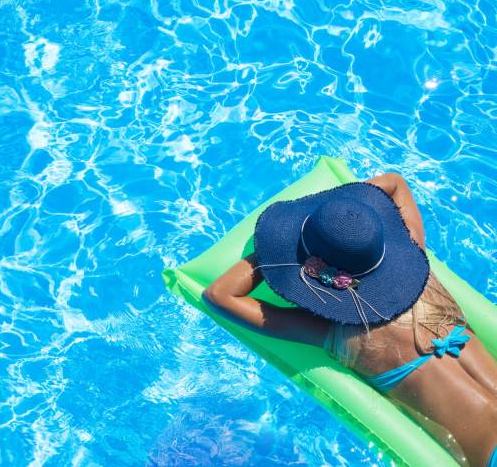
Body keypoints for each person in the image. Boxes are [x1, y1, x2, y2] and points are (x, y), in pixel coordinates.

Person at [203, 172, 497, 467]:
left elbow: (218, 296)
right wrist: (351, 224)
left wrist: (279, 250)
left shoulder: (338, 332)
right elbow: (395, 183)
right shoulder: (418, 262)